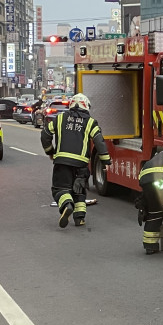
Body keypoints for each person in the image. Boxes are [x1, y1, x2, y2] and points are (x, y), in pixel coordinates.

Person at [41, 92, 109, 227]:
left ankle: (67, 205)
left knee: (60, 189)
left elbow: (45, 135)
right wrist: (105, 161)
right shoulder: (90, 122)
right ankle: (80, 218)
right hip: (81, 164)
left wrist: (50, 152)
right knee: (79, 190)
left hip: (62, 162)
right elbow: (99, 141)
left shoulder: (60, 119)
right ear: (86, 106)